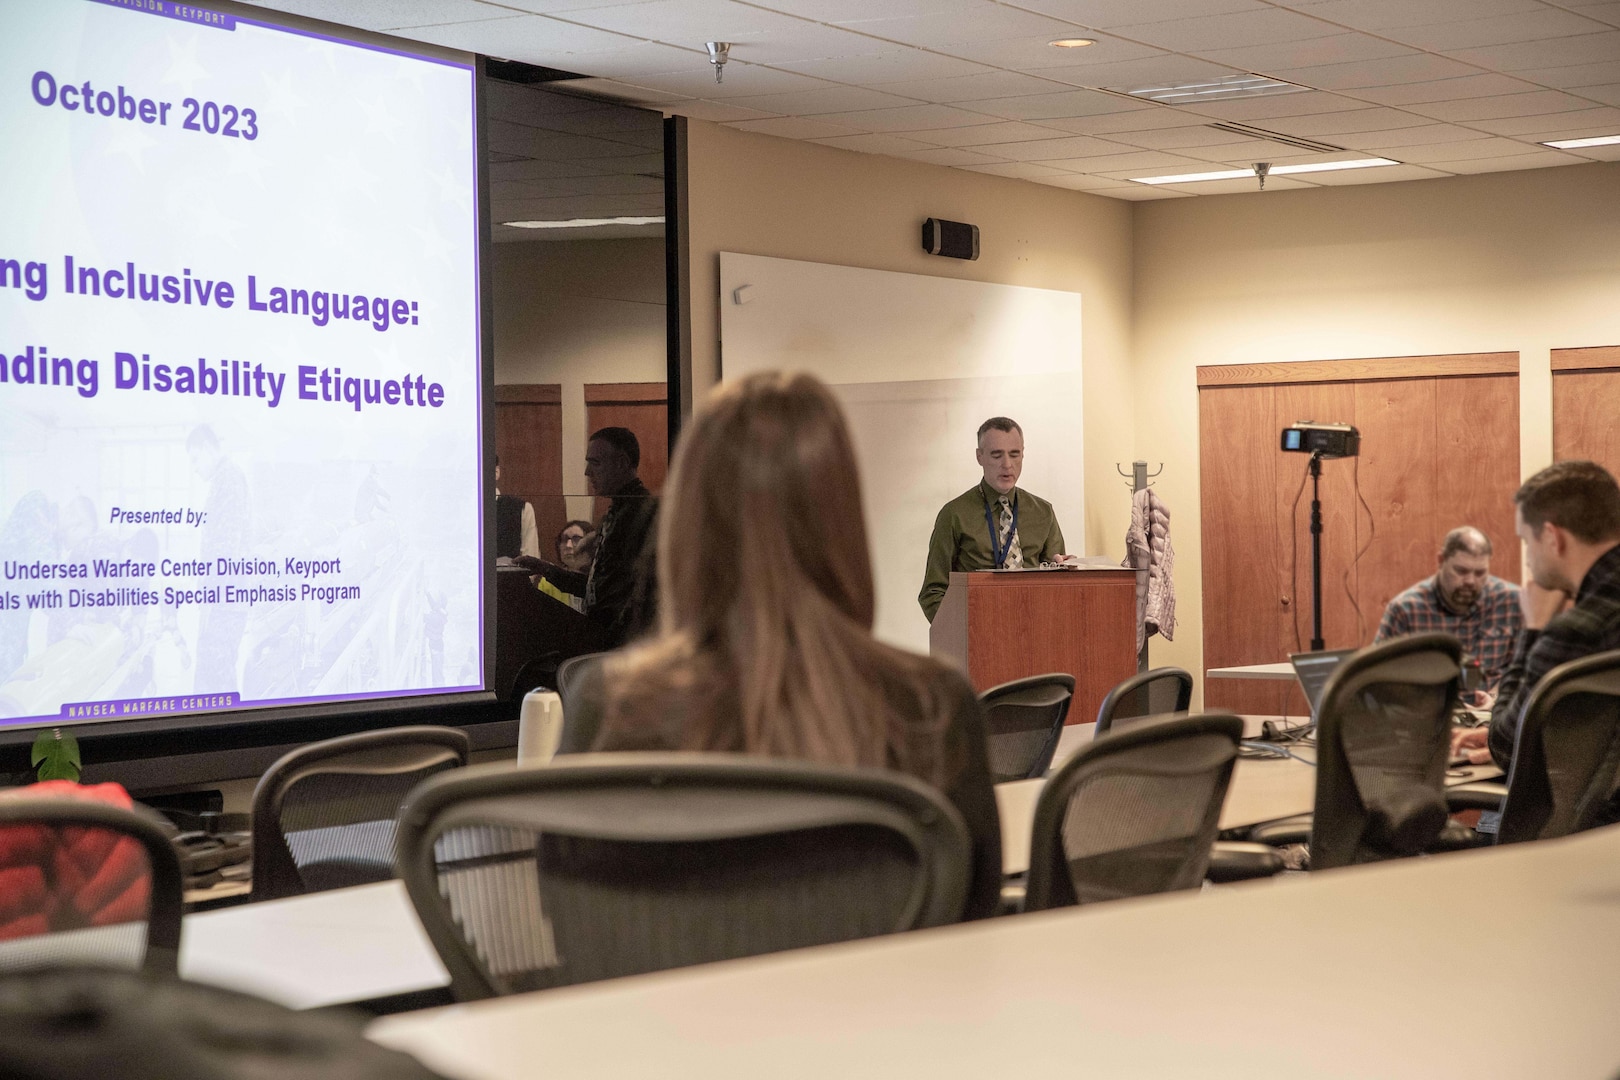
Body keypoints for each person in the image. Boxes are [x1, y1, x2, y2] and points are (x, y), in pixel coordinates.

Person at [574, 371, 1002, 920]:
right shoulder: (934, 704)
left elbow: (576, 927)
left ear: (687, 521)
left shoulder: (610, 704)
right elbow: (974, 922)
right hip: (886, 1003)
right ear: (844, 521)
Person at [1453, 461, 1620, 769]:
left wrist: (1533, 629)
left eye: (1527, 541)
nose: (1528, 557)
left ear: (1552, 537)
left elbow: (1506, 745)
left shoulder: (1580, 629)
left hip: (1595, 816)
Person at [919, 416, 1077, 622]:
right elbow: (933, 591)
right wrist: (961, 631)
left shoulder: (1043, 511)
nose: (1007, 465)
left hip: (1033, 629)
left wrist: (1065, 572)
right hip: (976, 631)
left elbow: (1055, 585)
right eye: (996, 455)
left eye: (1014, 454)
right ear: (979, 456)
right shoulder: (954, 514)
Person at [522, 427, 657, 649]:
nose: (587, 472)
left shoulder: (641, 516)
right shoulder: (618, 513)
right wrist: (544, 568)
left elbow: (628, 602)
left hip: (624, 651)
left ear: (622, 463)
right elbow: (598, 591)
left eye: (595, 463)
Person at [1373, 526, 1522, 701]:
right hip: (1427, 716)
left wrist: (1495, 698)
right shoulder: (1405, 609)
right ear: (1441, 560)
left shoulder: (1513, 602)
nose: (1470, 581)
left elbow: (1524, 670)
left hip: (1494, 716)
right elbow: (1376, 679)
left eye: (1480, 573)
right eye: (1461, 571)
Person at [493, 455, 539, 560]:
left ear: (496, 472)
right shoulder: (456, 512)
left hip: (508, 576)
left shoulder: (521, 509)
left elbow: (532, 565)